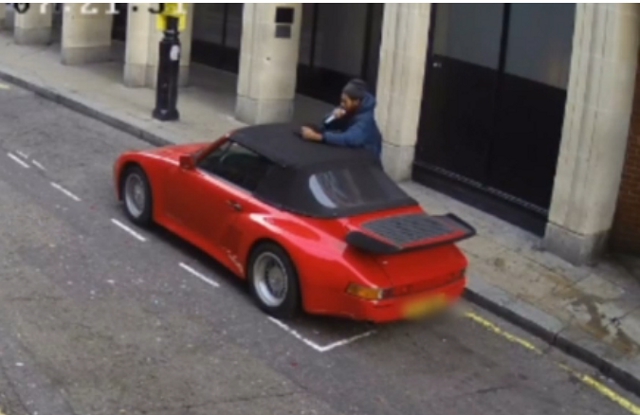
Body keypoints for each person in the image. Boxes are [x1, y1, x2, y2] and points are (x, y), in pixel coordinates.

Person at [300, 79, 382, 159]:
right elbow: (325, 125)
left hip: (365, 160)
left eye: (345, 102)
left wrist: (318, 137)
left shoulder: (366, 119)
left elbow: (349, 138)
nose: (342, 104)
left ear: (356, 102)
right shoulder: (350, 109)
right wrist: (333, 117)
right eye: (341, 101)